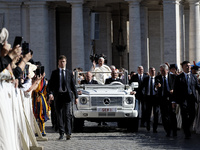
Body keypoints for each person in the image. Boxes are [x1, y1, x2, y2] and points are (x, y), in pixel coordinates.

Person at [48, 55, 78, 140]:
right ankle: (61, 133)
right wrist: (50, 94)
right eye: (61, 61)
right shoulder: (54, 73)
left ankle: (68, 133)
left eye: (64, 61)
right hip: (58, 96)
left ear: (66, 62)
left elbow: (73, 85)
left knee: (67, 114)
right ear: (58, 62)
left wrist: (76, 96)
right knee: (59, 115)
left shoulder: (69, 72)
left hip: (67, 96)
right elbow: (51, 85)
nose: (62, 63)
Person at [174, 61, 200, 139]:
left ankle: (186, 127)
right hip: (183, 99)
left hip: (192, 99)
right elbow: (176, 90)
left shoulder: (194, 77)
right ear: (183, 67)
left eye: (189, 66)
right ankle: (187, 132)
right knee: (184, 115)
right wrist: (174, 101)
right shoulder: (179, 77)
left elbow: (197, 87)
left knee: (192, 115)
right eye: (186, 66)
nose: (188, 67)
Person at [155, 64, 177, 137]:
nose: (162, 72)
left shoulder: (173, 77)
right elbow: (155, 87)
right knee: (164, 116)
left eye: (163, 71)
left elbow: (177, 88)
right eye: (161, 71)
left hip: (171, 99)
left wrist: (173, 91)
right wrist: (157, 87)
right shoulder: (158, 78)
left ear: (167, 70)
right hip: (162, 99)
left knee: (172, 115)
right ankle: (167, 130)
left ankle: (174, 131)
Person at [143, 67, 159, 133]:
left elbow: (160, 89)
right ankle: (148, 125)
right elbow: (143, 87)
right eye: (151, 71)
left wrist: (157, 88)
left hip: (155, 98)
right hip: (148, 97)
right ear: (149, 72)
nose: (153, 72)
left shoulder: (158, 79)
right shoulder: (146, 79)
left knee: (156, 113)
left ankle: (155, 128)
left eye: (154, 70)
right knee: (148, 112)